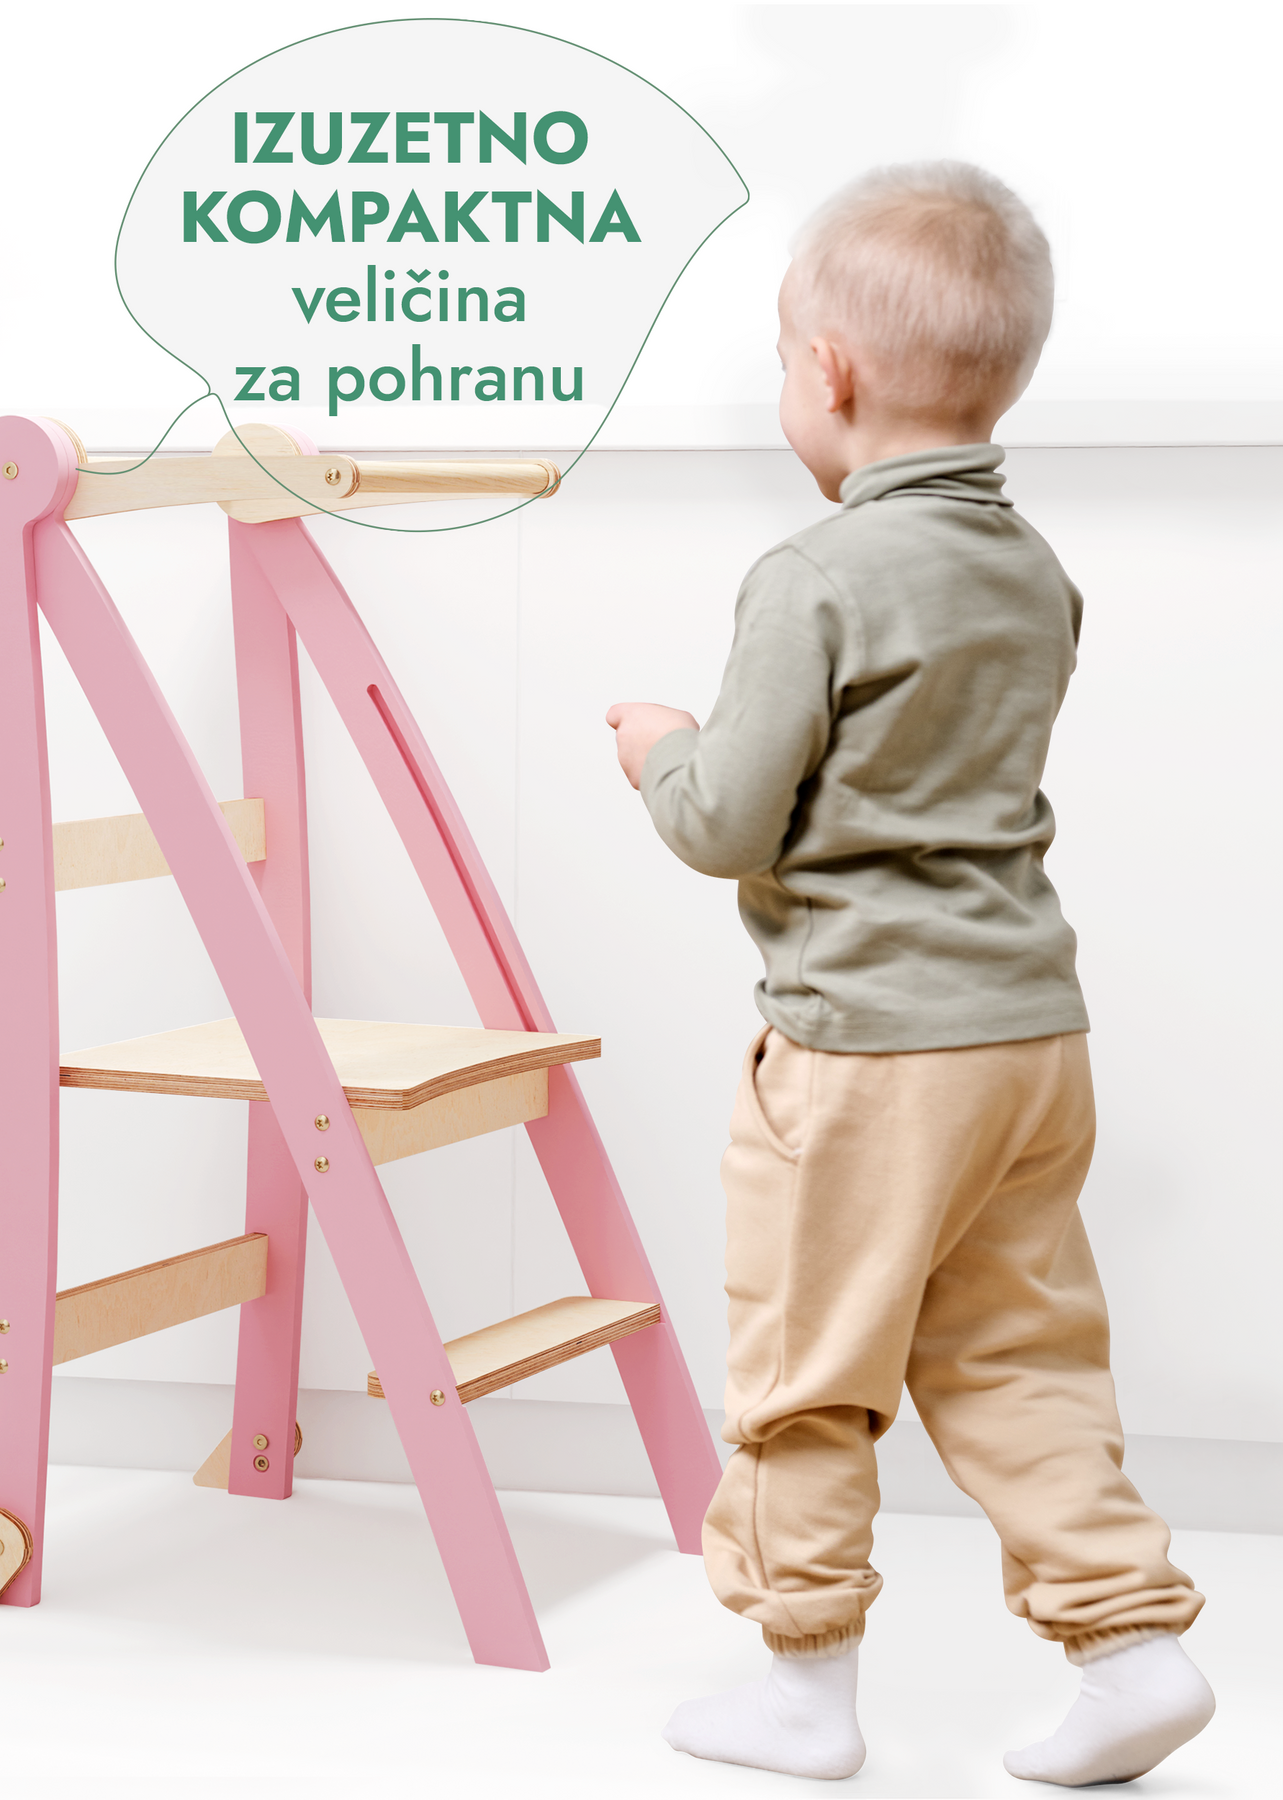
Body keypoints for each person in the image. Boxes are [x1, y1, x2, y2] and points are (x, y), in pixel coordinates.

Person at [606, 162, 1214, 1786]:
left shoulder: (814, 577)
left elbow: (729, 823)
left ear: (829, 373)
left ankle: (802, 1687)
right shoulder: (1032, 572)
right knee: (1018, 1351)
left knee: (807, 1368)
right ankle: (1130, 1642)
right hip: (1028, 1037)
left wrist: (660, 748)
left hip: (869, 1050)